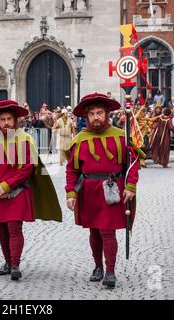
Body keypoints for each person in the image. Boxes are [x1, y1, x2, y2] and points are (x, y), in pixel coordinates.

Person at [0, 100, 62, 281]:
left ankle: (15, 264)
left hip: (18, 190)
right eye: (2, 119)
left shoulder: (25, 139)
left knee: (14, 227)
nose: (6, 123)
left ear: (15, 120)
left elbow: (27, 168)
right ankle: (7, 261)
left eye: (9, 119)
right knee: (3, 228)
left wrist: (7, 186)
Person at [65, 93, 142, 289]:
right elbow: (72, 169)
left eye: (99, 113)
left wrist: (131, 186)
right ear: (86, 116)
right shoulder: (80, 139)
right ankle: (98, 266)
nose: (96, 117)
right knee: (94, 231)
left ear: (107, 114)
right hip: (89, 190)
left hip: (112, 189)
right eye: (91, 114)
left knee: (108, 232)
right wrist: (71, 193)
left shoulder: (120, 136)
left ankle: (110, 271)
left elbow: (133, 163)